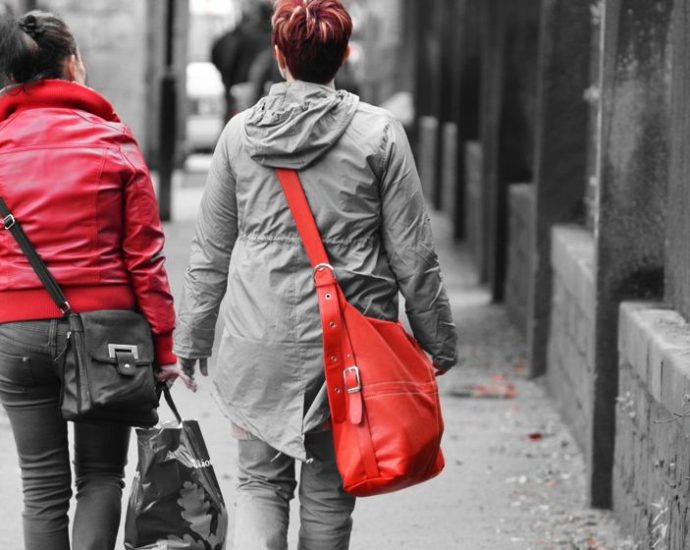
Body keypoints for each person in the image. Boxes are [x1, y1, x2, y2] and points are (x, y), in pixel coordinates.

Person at [174, 0, 458, 548]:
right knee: (329, 490)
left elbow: (211, 251)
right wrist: (435, 339)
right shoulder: (380, 134)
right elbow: (413, 254)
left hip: (258, 339)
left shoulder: (238, 135)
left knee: (259, 483)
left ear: (279, 55)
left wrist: (192, 336)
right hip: (351, 346)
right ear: (343, 55)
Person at [0, 11, 190, 550]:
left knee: (41, 487)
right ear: (72, 64)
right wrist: (164, 346)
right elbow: (144, 257)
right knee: (102, 475)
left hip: (15, 332)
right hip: (111, 336)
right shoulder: (112, 141)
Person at [210, 0, 273, 122]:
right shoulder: (274, 36)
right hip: (262, 89)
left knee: (236, 122)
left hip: (239, 84)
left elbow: (224, 56)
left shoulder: (242, 33)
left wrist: (228, 80)